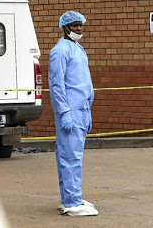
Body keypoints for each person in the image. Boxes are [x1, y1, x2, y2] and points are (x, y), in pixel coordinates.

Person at [48, 11, 98, 216]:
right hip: (70, 111)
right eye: (75, 25)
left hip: (81, 110)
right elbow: (57, 84)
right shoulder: (60, 51)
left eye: (81, 25)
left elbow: (83, 79)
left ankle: (71, 196)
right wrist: (64, 111)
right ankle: (72, 202)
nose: (79, 29)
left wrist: (88, 106)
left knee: (71, 155)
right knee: (71, 157)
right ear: (65, 27)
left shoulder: (77, 48)